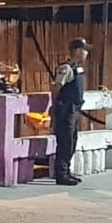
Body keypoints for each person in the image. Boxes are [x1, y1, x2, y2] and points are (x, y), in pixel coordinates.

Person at [49, 38, 91, 186]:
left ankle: (67, 171)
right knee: (65, 141)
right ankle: (61, 174)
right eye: (85, 50)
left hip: (74, 109)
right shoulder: (66, 68)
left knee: (72, 141)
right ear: (78, 51)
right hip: (65, 109)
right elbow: (57, 88)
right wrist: (54, 108)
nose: (86, 53)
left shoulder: (78, 68)